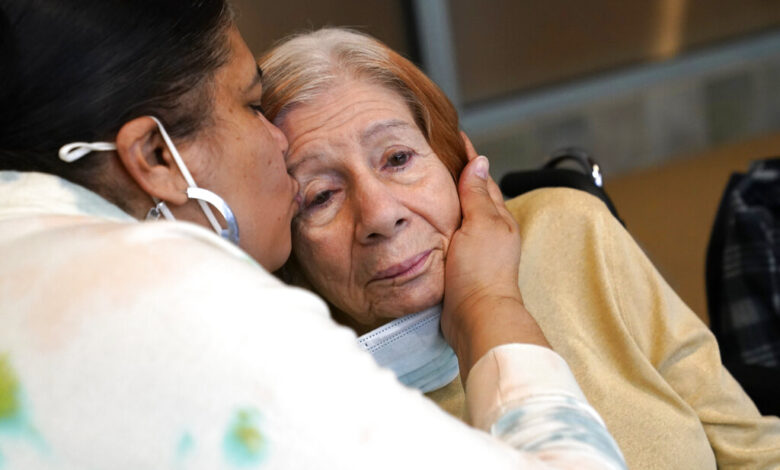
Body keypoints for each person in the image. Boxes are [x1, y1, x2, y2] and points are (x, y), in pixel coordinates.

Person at [0, 1, 627, 469]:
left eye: (399, 159)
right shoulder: (187, 309)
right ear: (156, 159)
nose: (278, 137)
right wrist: (490, 303)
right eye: (250, 105)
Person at [258, 27, 780, 470]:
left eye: (397, 158)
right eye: (322, 195)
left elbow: (751, 450)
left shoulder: (569, 231)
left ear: (454, 162)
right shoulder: (295, 395)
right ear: (287, 247)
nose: (379, 214)